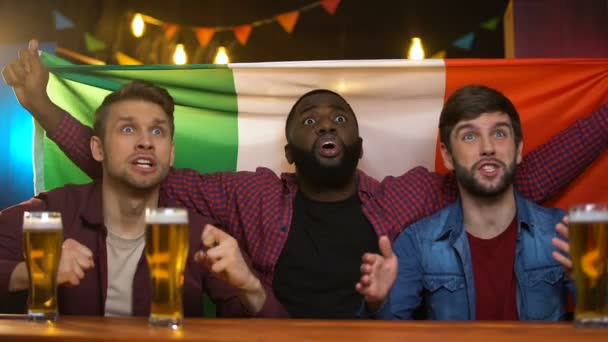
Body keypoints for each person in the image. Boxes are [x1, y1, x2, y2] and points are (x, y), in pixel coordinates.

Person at [3, 40, 608, 318]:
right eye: (310, 119)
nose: (326, 123)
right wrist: (42, 107)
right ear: (290, 151)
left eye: (338, 117)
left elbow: (508, 175)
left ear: (359, 146)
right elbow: (133, 170)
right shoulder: (251, 193)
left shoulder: (410, 193)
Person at [0, 80, 286, 318]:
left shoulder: (200, 234)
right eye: (128, 129)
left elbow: (279, 333)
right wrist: (34, 272)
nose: (146, 142)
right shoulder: (52, 214)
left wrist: (250, 287)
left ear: (170, 154)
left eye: (157, 131)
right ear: (97, 149)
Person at [356, 85, 575, 320]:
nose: (488, 148)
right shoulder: (418, 243)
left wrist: (594, 285)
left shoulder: (563, 232)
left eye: (499, 133)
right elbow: (390, 335)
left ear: (519, 149)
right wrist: (378, 305)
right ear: (448, 156)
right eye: (469, 136)